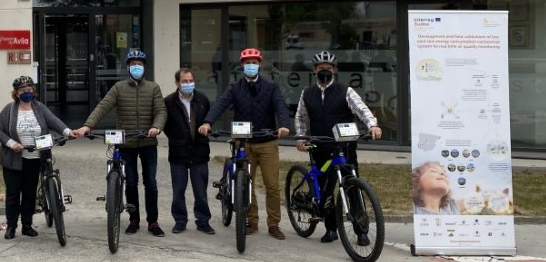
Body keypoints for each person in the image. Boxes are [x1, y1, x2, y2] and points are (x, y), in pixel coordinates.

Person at [72, 49, 168, 237]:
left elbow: (161, 111)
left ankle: (153, 222)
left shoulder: (153, 88)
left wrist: (157, 126)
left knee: (151, 183)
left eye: (139, 65)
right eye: (133, 65)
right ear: (127, 67)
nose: (136, 68)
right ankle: (134, 220)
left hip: (148, 141)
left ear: (144, 67)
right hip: (126, 142)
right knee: (131, 182)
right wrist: (87, 126)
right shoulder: (118, 88)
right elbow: (103, 106)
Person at [198, 48, 290, 240]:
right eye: (247, 62)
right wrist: (208, 122)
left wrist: (283, 124)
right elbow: (221, 104)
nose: (251, 65)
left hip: (267, 142)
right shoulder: (235, 87)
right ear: (241, 66)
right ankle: (251, 220)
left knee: (271, 185)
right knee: (245, 183)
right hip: (243, 142)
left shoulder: (270, 86)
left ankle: (274, 224)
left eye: (254, 62)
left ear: (259, 64)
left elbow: (280, 105)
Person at [294, 50, 382, 244]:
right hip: (320, 147)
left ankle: (361, 231)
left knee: (352, 188)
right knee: (326, 191)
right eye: (320, 68)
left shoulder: (346, 91)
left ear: (335, 70)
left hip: (345, 147)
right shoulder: (307, 93)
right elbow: (300, 116)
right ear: (314, 70)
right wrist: (301, 137)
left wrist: (372, 125)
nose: (324, 71)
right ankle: (331, 228)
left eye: (328, 68)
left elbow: (362, 110)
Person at [0, 76, 74, 240]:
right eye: (23, 91)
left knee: (30, 193)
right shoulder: (9, 110)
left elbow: (54, 122)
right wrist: (11, 143)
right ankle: (11, 226)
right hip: (14, 159)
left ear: (33, 91)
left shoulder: (39, 108)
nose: (27, 93)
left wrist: (68, 132)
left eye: (29, 90)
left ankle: (27, 225)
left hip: (35, 157)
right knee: (13, 194)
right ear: (16, 93)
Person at [162, 68, 215, 235]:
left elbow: (209, 120)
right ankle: (180, 220)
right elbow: (165, 126)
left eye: (191, 80)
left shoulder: (202, 99)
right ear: (177, 83)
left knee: (201, 191)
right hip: (178, 152)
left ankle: (203, 221)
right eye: (184, 81)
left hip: (199, 151)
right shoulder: (168, 102)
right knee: (178, 190)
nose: (188, 84)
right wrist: (178, 138)